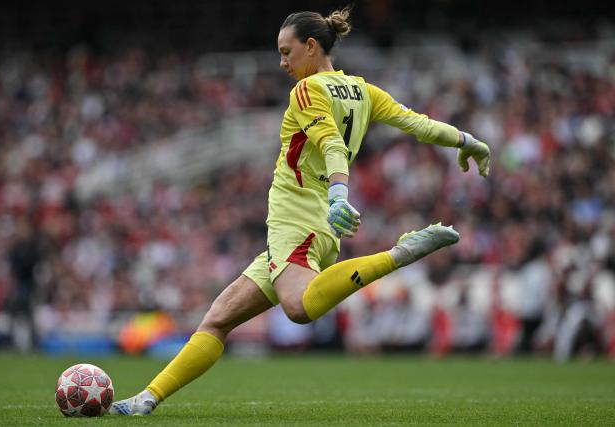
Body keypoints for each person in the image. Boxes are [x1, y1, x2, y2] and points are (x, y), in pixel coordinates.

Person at [110, 7, 490, 415]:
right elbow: (417, 123)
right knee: (218, 320)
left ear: (311, 46)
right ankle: (147, 399)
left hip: (301, 220)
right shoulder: (363, 90)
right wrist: (466, 139)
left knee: (298, 308)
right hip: (308, 228)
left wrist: (339, 195)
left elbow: (331, 144)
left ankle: (398, 255)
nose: (282, 62)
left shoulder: (307, 91)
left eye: (286, 52)